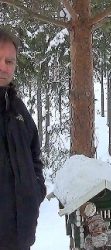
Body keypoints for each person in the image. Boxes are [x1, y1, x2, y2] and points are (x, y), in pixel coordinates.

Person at [0, 29, 46, 250]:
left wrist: (36, 191)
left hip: (20, 239)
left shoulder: (18, 110)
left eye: (9, 61)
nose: (3, 67)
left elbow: (34, 156)